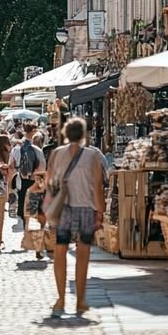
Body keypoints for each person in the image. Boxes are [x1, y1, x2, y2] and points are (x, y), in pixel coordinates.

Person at [46, 117, 106, 318]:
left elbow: (49, 182)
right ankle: (80, 300)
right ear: (83, 135)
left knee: (60, 251)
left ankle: (61, 299)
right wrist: (101, 211)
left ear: (64, 133)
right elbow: (98, 187)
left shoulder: (56, 154)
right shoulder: (92, 156)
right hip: (85, 208)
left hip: (63, 208)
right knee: (83, 255)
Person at [11, 124, 47, 230]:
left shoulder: (16, 149)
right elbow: (42, 166)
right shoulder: (36, 149)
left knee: (22, 198)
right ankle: (36, 222)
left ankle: (24, 222)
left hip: (20, 178)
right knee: (34, 200)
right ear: (33, 131)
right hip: (33, 179)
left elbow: (11, 165)